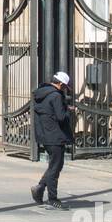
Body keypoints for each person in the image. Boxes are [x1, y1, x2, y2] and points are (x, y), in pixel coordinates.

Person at [30, 71, 74, 210]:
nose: (65, 90)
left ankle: (40, 188)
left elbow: (50, 111)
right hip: (55, 135)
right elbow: (61, 117)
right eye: (65, 87)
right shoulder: (56, 96)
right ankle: (52, 198)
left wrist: (64, 107)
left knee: (55, 165)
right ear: (60, 84)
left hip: (45, 134)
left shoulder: (42, 92)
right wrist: (68, 111)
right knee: (55, 167)